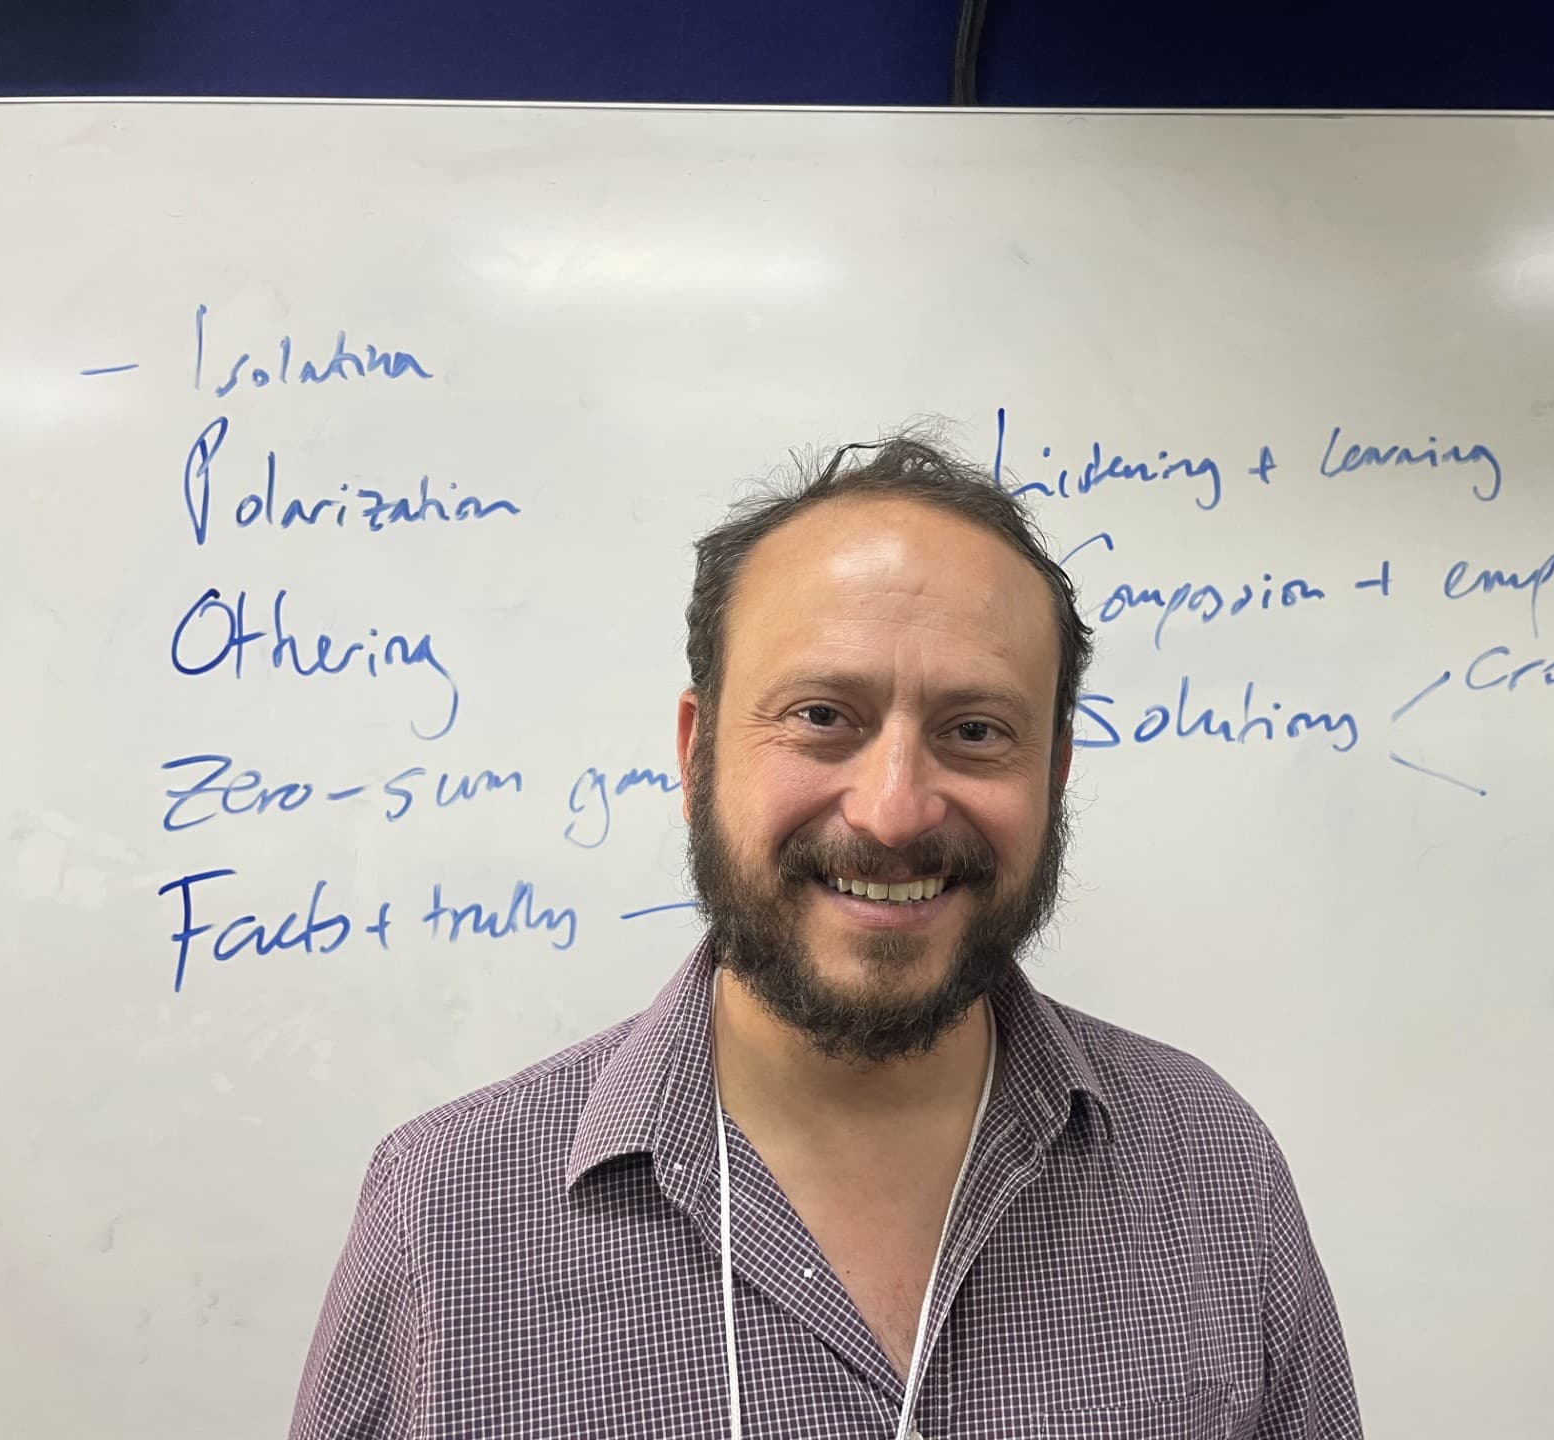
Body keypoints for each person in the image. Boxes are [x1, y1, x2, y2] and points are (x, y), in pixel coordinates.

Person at [288, 431, 1363, 1439]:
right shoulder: (446, 1219)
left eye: (976, 733)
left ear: (1055, 776)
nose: (895, 810)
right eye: (821, 717)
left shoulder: (1217, 1177)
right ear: (697, 751)